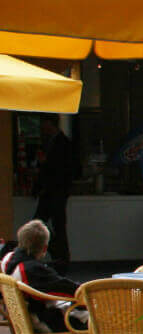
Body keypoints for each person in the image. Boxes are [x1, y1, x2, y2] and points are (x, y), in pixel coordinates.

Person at [3, 219, 81, 332]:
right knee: (97, 316)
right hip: (43, 322)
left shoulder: (8, 259)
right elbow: (71, 289)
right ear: (44, 248)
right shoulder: (32, 270)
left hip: (22, 320)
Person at [31, 114, 74, 269]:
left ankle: (59, 256)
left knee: (54, 224)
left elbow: (62, 169)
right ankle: (58, 255)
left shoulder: (62, 144)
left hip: (56, 191)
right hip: (50, 191)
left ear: (51, 124)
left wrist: (45, 163)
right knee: (45, 223)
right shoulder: (50, 142)